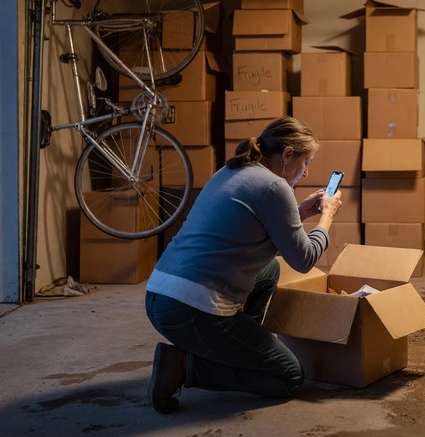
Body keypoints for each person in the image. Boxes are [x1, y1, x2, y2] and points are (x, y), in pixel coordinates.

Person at [144, 115, 342, 413]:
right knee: (289, 376)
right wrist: (327, 217)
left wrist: (299, 212)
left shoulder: (232, 169)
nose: (306, 171)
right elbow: (305, 260)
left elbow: (253, 227)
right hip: (191, 312)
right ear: (288, 154)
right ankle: (184, 366)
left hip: (160, 297)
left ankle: (235, 346)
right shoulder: (276, 187)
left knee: (270, 269)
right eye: (306, 162)